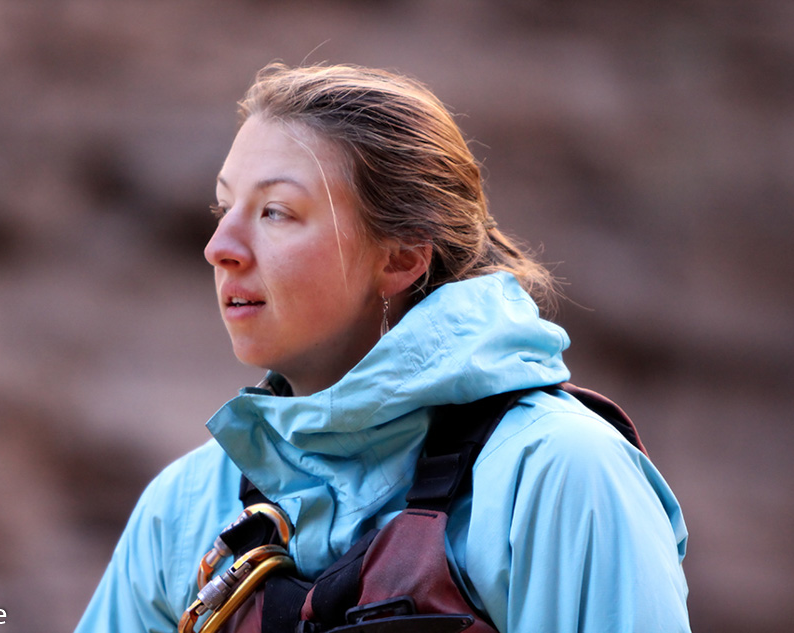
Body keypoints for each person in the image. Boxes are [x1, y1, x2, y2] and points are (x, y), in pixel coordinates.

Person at [74, 63, 691, 633]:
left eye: (277, 211)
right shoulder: (182, 509)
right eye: (223, 205)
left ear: (400, 257)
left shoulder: (563, 477)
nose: (219, 245)